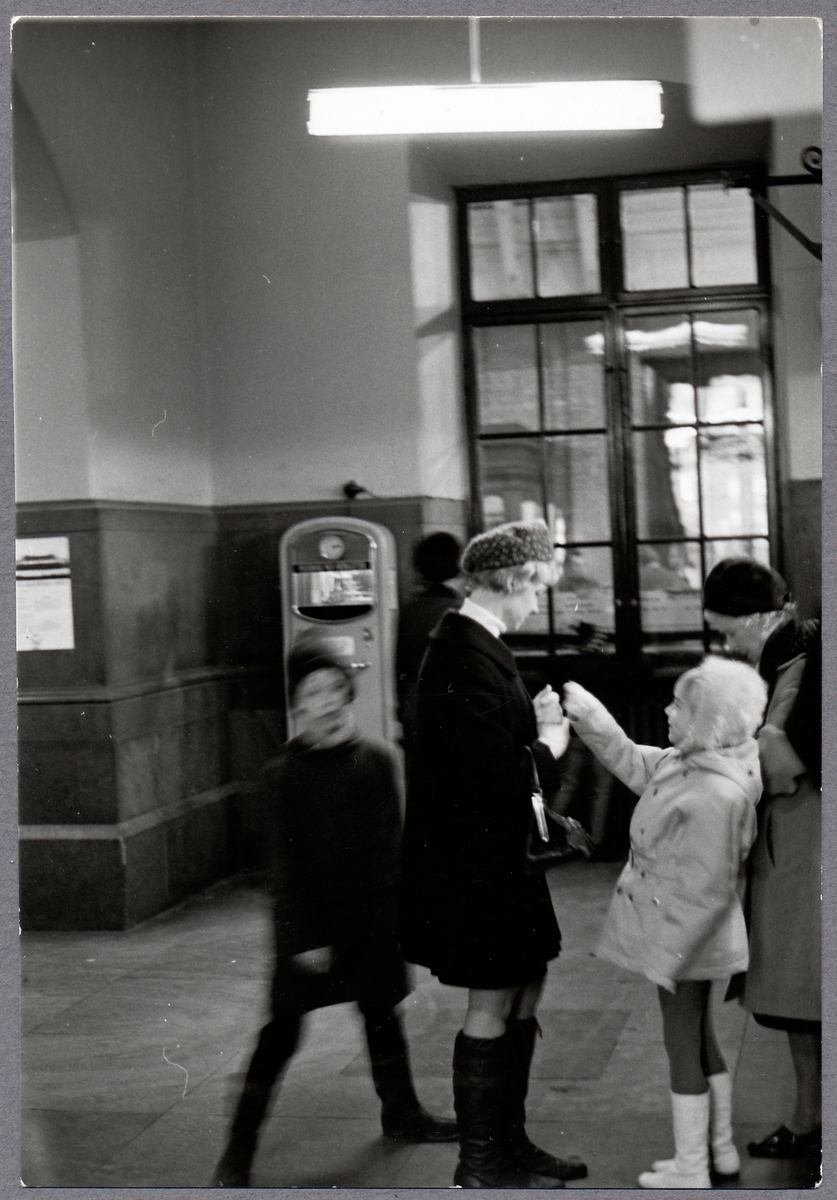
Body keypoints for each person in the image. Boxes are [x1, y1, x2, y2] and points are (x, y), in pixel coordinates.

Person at [213, 638, 457, 1187]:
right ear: (297, 704)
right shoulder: (283, 773)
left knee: (382, 1015)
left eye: (334, 688)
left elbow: (392, 847)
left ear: (348, 693)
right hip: (312, 931)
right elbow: (284, 869)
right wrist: (304, 937)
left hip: (371, 922)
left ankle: (403, 1113)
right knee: (280, 1035)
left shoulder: (377, 759)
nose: (326, 701)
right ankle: (238, 1149)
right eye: (312, 692)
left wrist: (404, 920)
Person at [401, 519, 587, 1189]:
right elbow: (490, 773)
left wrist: (529, 722)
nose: (537, 602)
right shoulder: (460, 652)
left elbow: (484, 747)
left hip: (498, 860)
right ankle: (479, 1164)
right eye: (535, 588)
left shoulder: (478, 644)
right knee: (492, 1000)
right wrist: (550, 741)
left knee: (526, 984)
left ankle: (510, 1143)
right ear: (511, 580)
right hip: (476, 867)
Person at [563, 656, 767, 1188]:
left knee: (682, 1047)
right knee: (700, 1039)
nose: (667, 711)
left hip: (685, 940)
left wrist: (666, 958)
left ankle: (692, 1168)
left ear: (707, 722)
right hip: (695, 936)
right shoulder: (698, 765)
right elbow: (632, 760)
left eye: (679, 705)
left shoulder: (713, 792)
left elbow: (707, 889)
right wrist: (591, 716)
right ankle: (719, 1152)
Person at [703, 558, 822, 1162]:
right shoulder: (799, 649)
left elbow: (786, 755)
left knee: (803, 989)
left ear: (758, 617)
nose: (728, 645)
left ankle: (809, 1120)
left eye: (728, 630)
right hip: (799, 838)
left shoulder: (798, 660)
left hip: (807, 840)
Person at [395, 531, 462, 758]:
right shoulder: (460, 611)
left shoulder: (409, 610)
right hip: (453, 706)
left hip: (415, 704)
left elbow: (400, 666)